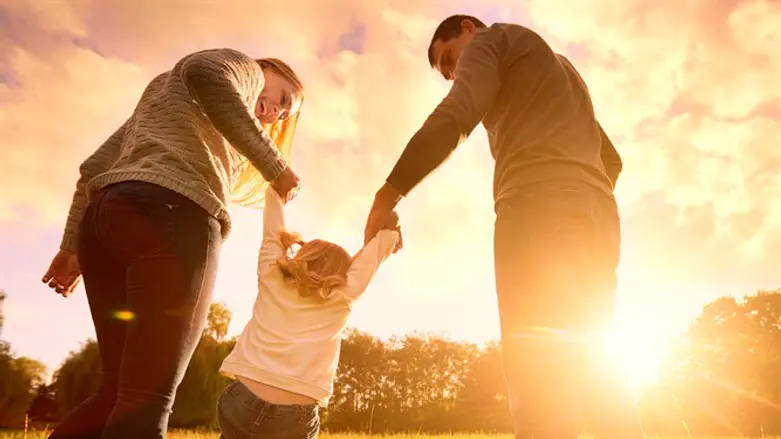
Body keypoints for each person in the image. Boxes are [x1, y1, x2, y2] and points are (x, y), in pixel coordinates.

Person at [363, 15, 644, 439]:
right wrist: (579, 197)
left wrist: (388, 195)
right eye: (447, 73)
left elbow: (458, 114)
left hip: (536, 208)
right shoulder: (559, 68)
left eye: (450, 60)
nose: (454, 74)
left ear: (468, 28)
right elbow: (611, 160)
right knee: (596, 365)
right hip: (598, 218)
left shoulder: (491, 40)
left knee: (535, 369)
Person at [42, 48, 305, 439]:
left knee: (117, 392)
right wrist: (276, 167)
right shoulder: (244, 70)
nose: (276, 113)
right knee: (146, 398)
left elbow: (94, 168)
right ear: (266, 69)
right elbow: (205, 73)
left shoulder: (163, 96)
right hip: (174, 216)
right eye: (282, 98)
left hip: (104, 223)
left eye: (283, 115)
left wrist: (71, 247)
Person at [217, 186, 401, 439]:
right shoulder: (343, 295)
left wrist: (278, 191)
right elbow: (376, 252)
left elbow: (272, 227)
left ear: (304, 255)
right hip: (294, 417)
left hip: (241, 404)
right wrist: (387, 233)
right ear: (343, 274)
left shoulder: (272, 273)